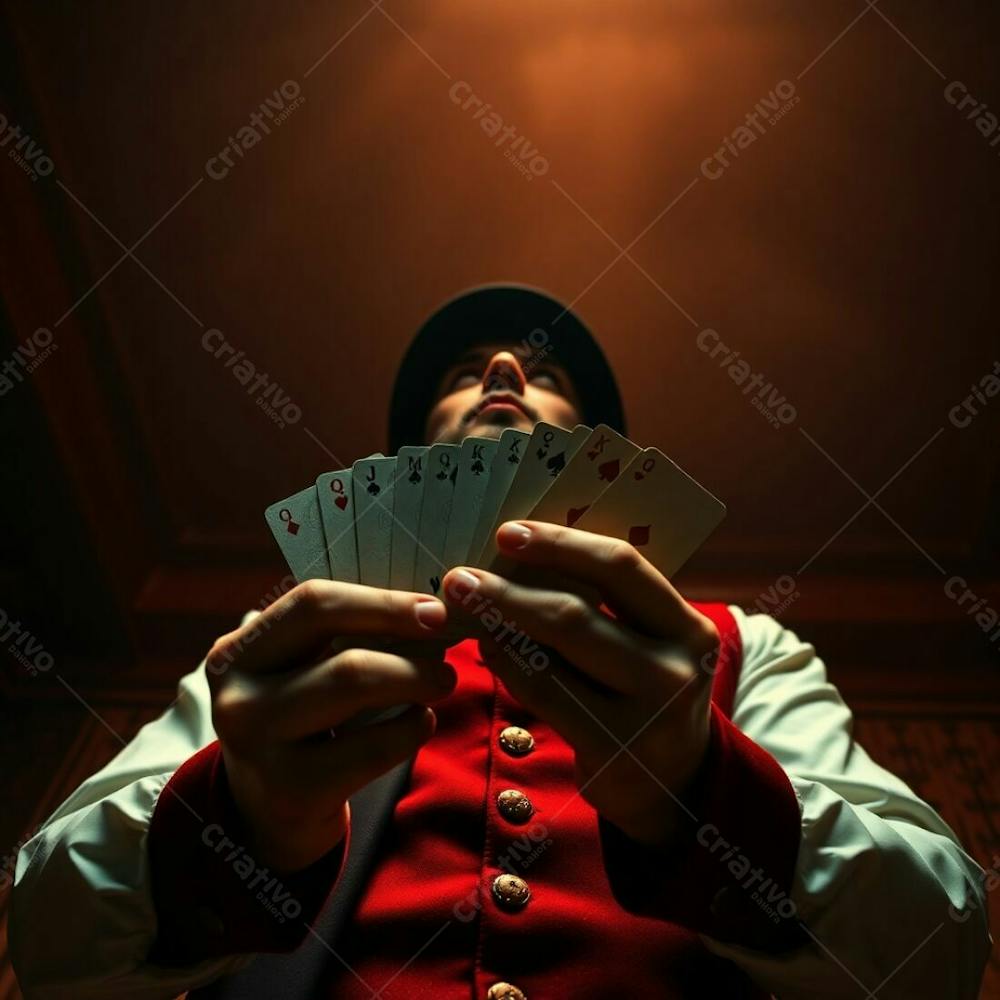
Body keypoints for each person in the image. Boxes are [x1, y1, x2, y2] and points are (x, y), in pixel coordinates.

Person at [10, 286, 991, 999]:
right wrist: (239, 817)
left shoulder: (741, 645)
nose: (505, 371)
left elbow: (936, 947)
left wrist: (704, 784)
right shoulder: (272, 660)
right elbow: (50, 941)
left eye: (546, 374)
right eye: (459, 376)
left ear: (595, 451)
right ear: (412, 456)